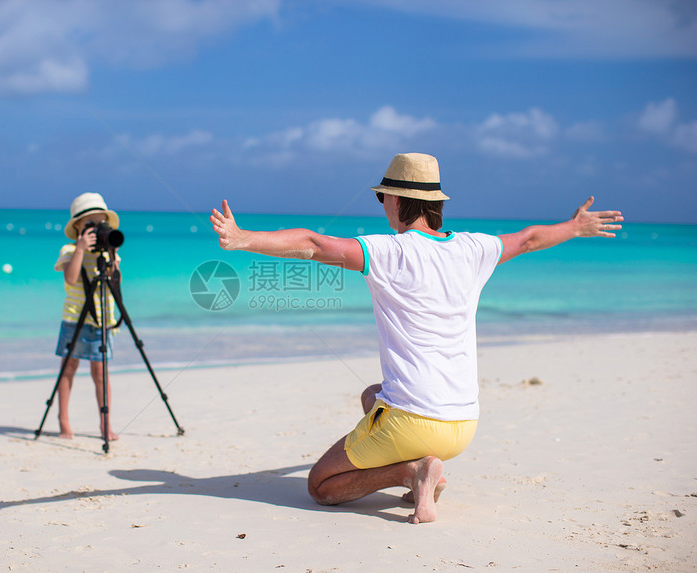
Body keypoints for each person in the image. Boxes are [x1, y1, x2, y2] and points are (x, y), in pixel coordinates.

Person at [210, 152, 623, 523]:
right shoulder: (474, 248)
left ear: (397, 200)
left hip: (414, 423)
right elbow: (530, 238)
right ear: (436, 204)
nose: (382, 205)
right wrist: (575, 226)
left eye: (382, 197)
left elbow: (314, 244)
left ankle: (411, 473)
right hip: (463, 425)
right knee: (374, 394)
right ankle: (426, 471)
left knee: (320, 486)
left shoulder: (389, 251)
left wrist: (243, 238)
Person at [54, 192, 122, 440]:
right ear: (78, 228)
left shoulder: (108, 253)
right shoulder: (70, 249)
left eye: (100, 224)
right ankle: (64, 422)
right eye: (90, 225)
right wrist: (81, 249)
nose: (96, 231)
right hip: (74, 318)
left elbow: (117, 283)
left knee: (101, 373)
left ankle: (105, 423)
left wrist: (112, 255)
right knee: (68, 367)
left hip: (103, 319)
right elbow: (71, 278)